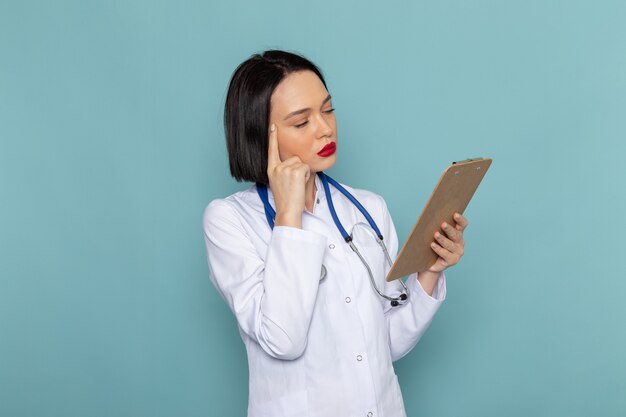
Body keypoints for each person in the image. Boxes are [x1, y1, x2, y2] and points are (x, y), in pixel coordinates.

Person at [202, 50, 468, 417]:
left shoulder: (367, 209)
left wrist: (430, 271)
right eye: (301, 122)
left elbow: (383, 343)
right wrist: (289, 215)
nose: (325, 128)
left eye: (328, 109)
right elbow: (284, 339)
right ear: (262, 136)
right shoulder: (229, 220)